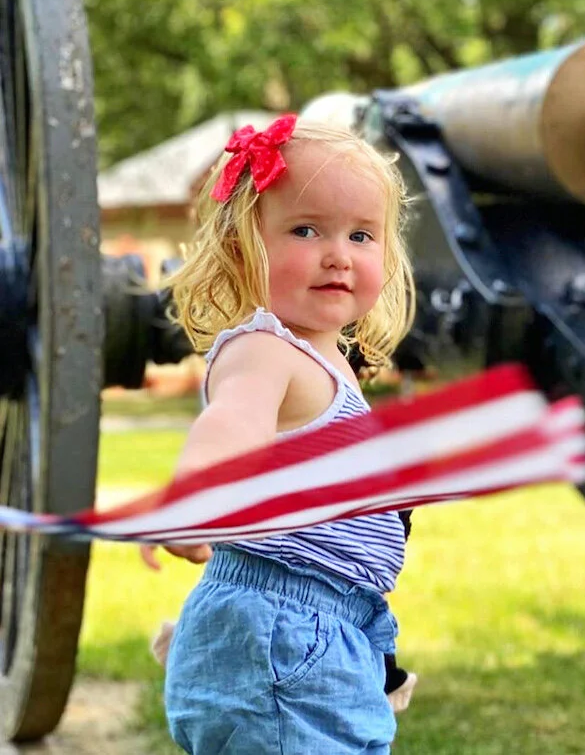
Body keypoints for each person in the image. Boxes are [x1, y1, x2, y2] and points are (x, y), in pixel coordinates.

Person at [144, 112, 416, 754]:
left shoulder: (329, 366)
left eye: (361, 235)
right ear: (245, 246)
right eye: (305, 229)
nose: (338, 255)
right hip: (284, 632)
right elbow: (231, 424)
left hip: (324, 631)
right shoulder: (266, 350)